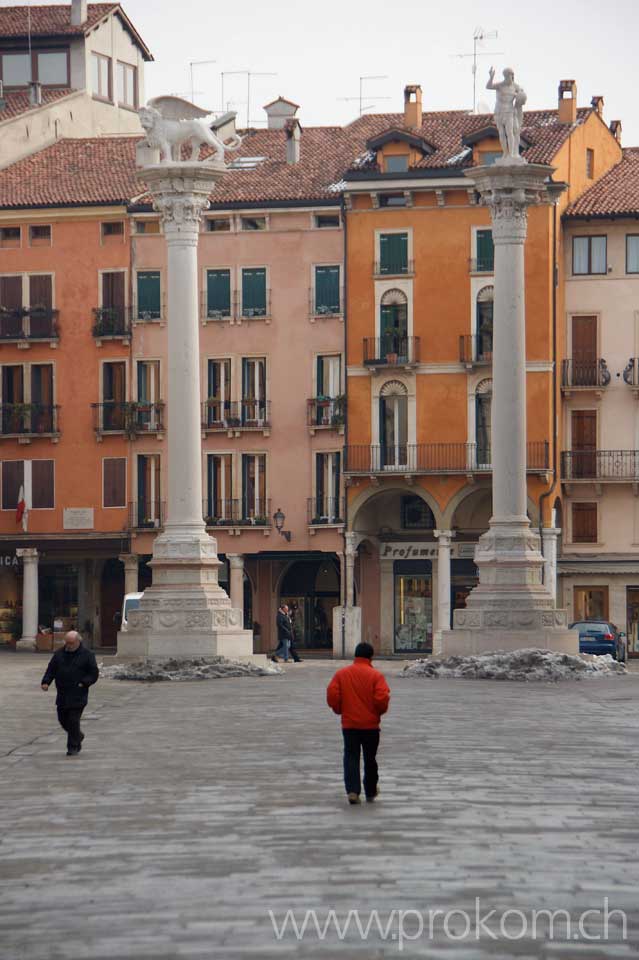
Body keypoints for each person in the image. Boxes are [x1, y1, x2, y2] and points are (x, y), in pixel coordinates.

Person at [326, 642, 390, 805]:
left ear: (355, 655)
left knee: (351, 756)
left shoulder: (342, 674)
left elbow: (332, 694)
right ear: (371, 656)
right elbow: (382, 698)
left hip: (350, 725)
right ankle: (370, 789)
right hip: (371, 726)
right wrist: (378, 712)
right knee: (370, 758)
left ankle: (353, 790)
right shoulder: (376, 676)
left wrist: (339, 709)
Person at [41, 630, 99, 756]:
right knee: (62, 719)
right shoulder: (59, 654)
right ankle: (78, 735)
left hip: (78, 693)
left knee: (73, 720)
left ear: (78, 641)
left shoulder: (87, 655)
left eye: (71, 643)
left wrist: (84, 683)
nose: (68, 645)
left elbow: (93, 673)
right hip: (62, 693)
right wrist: (46, 682)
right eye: (66, 642)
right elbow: (51, 669)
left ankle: (73, 747)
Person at [486, 66, 527, 161]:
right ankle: (505, 153)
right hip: (499, 111)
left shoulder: (516, 87)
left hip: (509, 111)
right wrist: (491, 77)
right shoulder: (500, 85)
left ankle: (512, 154)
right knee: (501, 133)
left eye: (511, 75)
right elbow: (488, 86)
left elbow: (522, 97)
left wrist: (521, 99)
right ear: (504, 76)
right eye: (507, 75)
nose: (509, 77)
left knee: (510, 132)